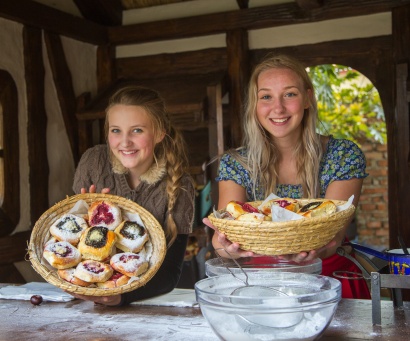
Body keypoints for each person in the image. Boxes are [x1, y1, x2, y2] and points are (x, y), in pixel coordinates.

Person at [205, 53, 370, 299]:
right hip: (262, 288)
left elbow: (333, 238)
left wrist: (306, 254)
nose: (278, 108)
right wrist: (228, 249)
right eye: (266, 97)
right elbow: (223, 242)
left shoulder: (343, 155)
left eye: (290, 94)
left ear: (308, 98)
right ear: (255, 104)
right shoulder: (237, 163)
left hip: (331, 283)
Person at [71, 85, 195, 306]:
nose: (125, 142)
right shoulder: (93, 162)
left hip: (141, 303)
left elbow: (170, 274)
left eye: (137, 130)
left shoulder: (179, 185)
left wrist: (120, 297)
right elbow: (71, 249)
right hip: (88, 295)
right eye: (116, 130)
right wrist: (85, 220)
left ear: (159, 133)